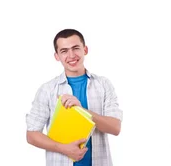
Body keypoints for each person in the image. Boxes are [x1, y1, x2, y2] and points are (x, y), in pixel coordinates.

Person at [25, 29, 123, 166]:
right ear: (57, 56)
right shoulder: (47, 90)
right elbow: (32, 135)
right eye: (64, 51)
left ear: (85, 50)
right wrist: (64, 149)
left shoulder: (103, 85)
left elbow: (115, 127)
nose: (71, 55)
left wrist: (82, 111)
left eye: (75, 48)